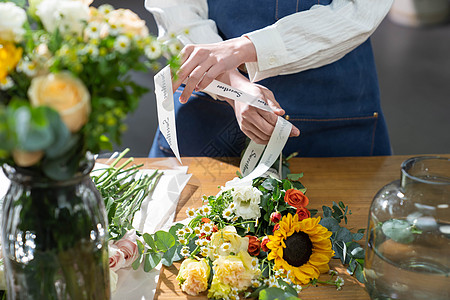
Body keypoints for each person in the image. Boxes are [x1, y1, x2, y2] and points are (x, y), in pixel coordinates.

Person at [145, 0, 393, 158]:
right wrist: (232, 86)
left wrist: (242, 50)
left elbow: (360, 11)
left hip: (331, 112)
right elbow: (174, 7)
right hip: (210, 111)